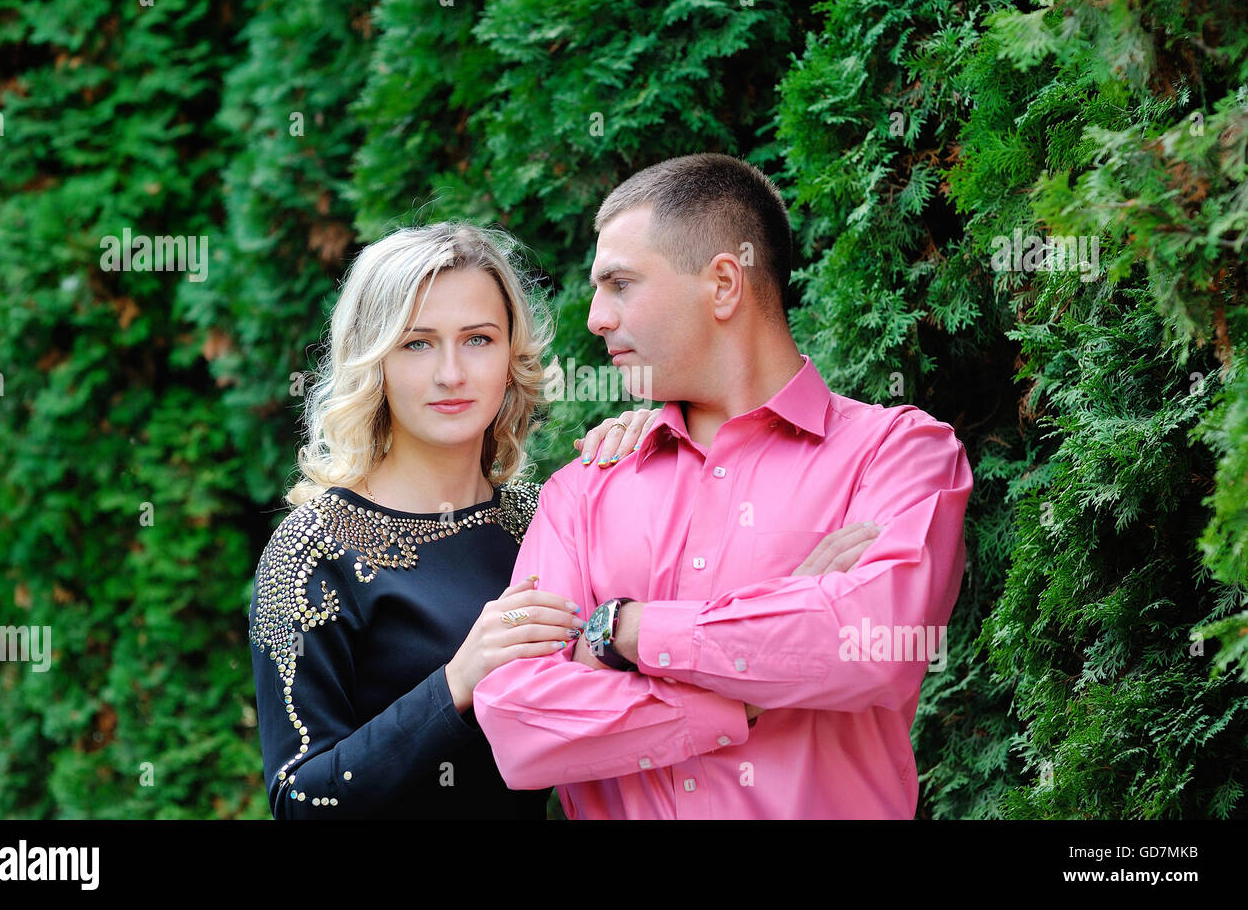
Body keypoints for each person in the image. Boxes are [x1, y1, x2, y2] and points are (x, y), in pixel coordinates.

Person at [473, 153, 974, 819]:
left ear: (724, 284)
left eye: (620, 283)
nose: (595, 316)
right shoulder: (583, 489)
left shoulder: (898, 453)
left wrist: (620, 628)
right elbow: (520, 723)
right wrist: (750, 686)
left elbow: (871, 644)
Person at [247, 221, 659, 819]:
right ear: (375, 361)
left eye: (478, 339)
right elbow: (300, 801)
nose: (451, 374)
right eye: (417, 343)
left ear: (511, 354)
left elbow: (637, 659)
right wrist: (457, 683)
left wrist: (648, 463)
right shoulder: (313, 551)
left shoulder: (538, 522)